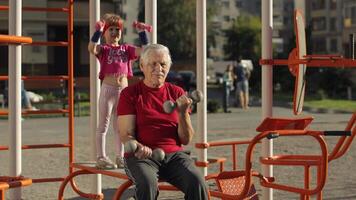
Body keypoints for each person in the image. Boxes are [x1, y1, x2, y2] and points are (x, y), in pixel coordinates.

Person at [117, 44, 208, 200]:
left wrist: (182, 113)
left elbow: (185, 139)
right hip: (141, 157)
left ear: (169, 67)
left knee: (197, 182)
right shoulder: (130, 94)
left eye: (163, 64)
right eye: (153, 64)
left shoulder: (177, 93)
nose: (158, 68)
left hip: (174, 156)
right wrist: (139, 147)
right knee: (147, 183)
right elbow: (126, 135)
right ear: (142, 66)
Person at [88, 13, 148, 169]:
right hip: (108, 90)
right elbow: (91, 48)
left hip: (123, 90)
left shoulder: (126, 49)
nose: (114, 32)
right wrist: (97, 32)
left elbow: (145, 51)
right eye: (111, 29)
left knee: (120, 126)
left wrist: (142, 33)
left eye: (117, 29)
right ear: (105, 32)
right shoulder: (104, 49)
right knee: (103, 125)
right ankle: (101, 157)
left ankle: (120, 157)